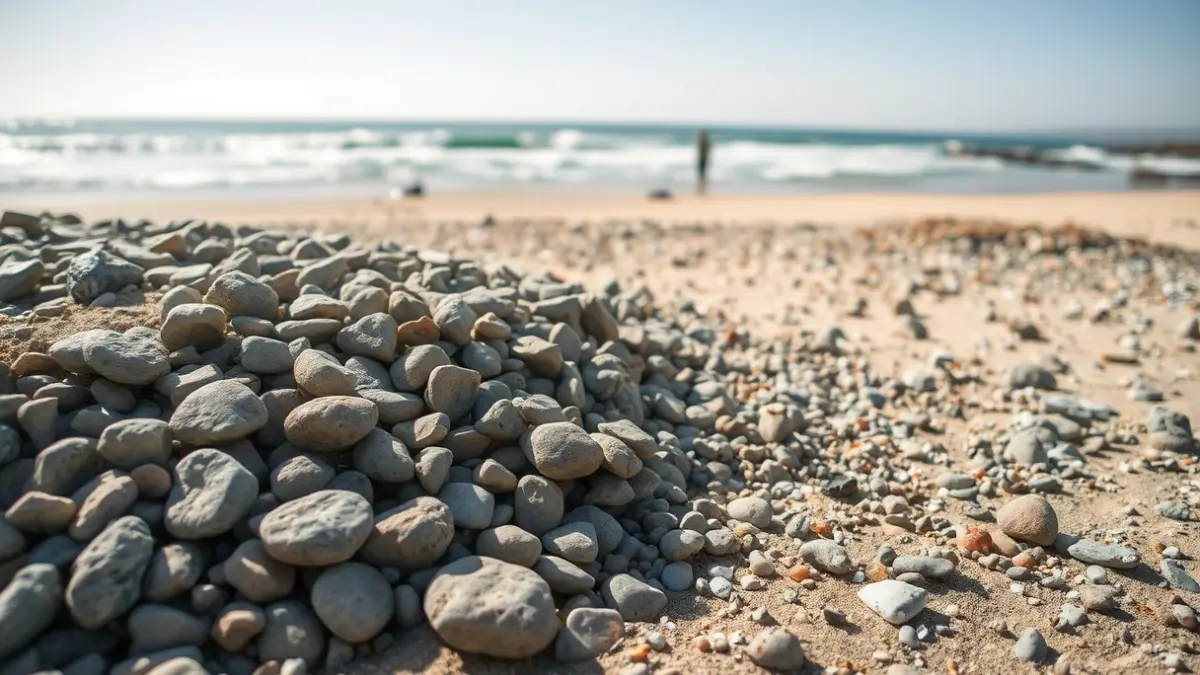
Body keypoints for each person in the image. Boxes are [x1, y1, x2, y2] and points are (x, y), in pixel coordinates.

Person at [696, 129, 711, 195]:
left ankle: (702, 190)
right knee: (702, 175)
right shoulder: (705, 142)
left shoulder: (704, 142)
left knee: (702, 175)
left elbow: (706, 152)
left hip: (703, 159)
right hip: (702, 159)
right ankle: (702, 190)